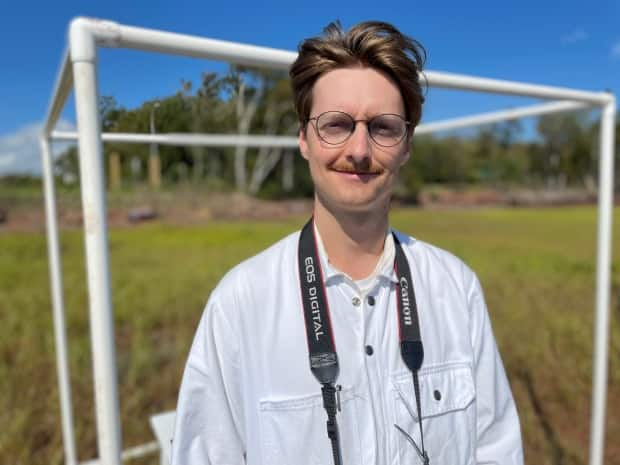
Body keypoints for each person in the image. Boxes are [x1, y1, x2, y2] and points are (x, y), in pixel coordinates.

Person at [171, 20, 524, 465]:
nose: (359, 149)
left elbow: (496, 449)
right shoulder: (241, 302)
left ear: (406, 144)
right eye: (336, 124)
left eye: (383, 127)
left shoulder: (456, 288)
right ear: (303, 138)